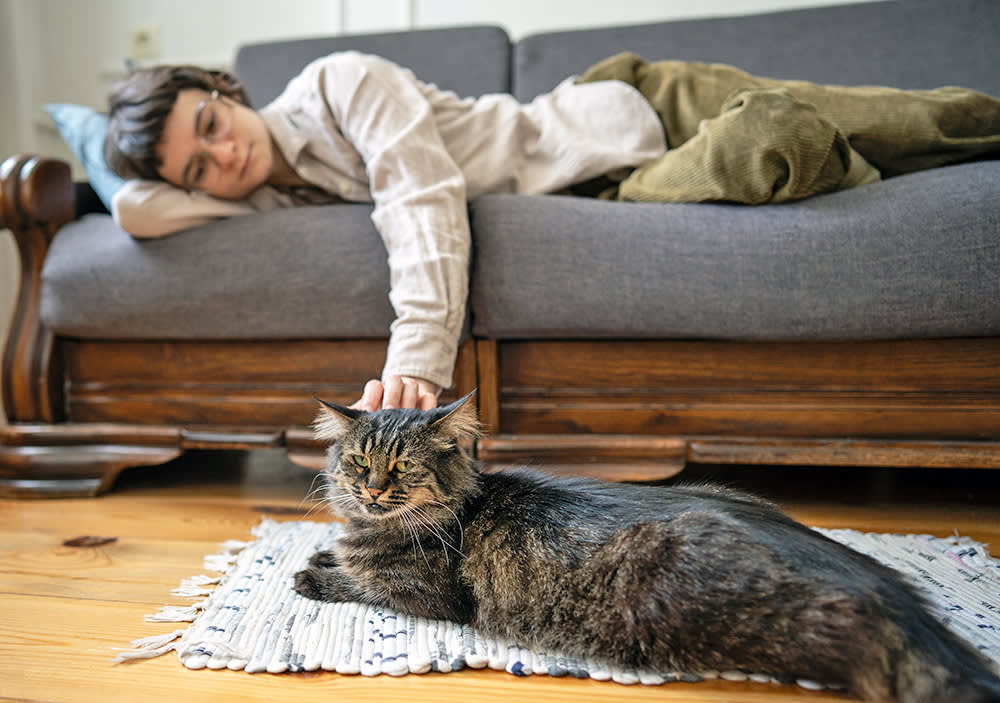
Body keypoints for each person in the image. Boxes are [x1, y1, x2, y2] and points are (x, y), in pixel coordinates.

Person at [103, 52, 1000, 411]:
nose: (222, 162)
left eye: (211, 128)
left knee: (923, 121)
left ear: (222, 90)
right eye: (196, 170)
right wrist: (143, 175)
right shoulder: (272, 198)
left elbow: (418, 200)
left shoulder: (341, 82)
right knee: (769, 145)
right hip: (626, 196)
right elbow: (138, 210)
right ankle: (846, 167)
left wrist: (416, 358)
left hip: (632, 115)